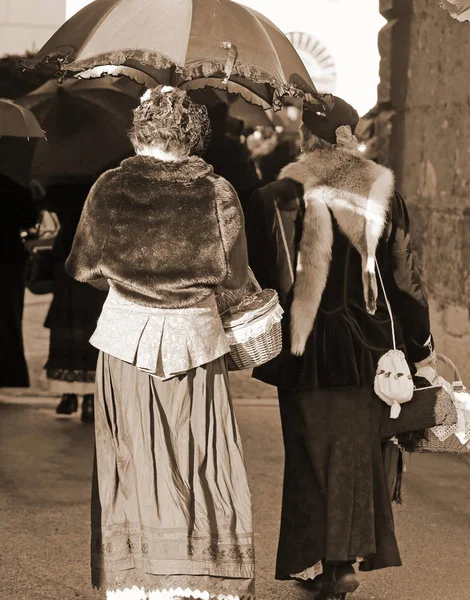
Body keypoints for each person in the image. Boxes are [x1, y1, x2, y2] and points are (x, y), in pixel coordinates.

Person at [65, 86, 255, 600]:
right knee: (199, 456)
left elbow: (83, 267)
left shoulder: (107, 187)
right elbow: (235, 278)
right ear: (193, 134)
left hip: (125, 338)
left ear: (138, 128)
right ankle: (198, 578)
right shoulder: (218, 191)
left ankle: (137, 579)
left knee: (131, 453)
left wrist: (131, 283)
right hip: (196, 341)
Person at [245, 97, 435, 599]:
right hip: (371, 349)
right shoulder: (383, 194)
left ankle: (326, 562)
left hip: (305, 349)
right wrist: (421, 348)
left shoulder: (276, 196)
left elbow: (262, 281)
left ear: (306, 137)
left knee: (309, 455)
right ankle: (340, 563)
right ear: (352, 137)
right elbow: (406, 279)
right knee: (357, 453)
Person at [42, 182, 107, 423]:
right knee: (91, 330)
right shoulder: (104, 182)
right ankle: (90, 399)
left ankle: (68, 395)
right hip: (95, 264)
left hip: (66, 265)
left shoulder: (58, 180)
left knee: (68, 331)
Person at [0, 173, 37, 388]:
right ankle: (9, 374)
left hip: (9, 259)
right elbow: (29, 219)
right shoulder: (12, 186)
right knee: (8, 317)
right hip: (8, 260)